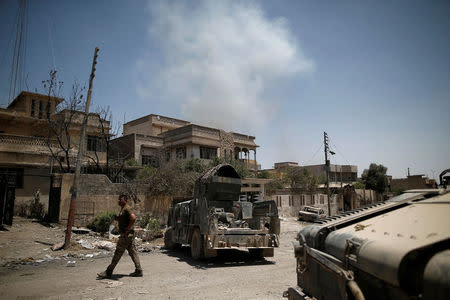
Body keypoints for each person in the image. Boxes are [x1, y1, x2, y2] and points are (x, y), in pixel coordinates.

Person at [97, 194, 143, 278]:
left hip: (126, 235)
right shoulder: (123, 209)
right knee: (132, 252)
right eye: (118, 199)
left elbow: (133, 218)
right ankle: (139, 270)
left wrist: (127, 230)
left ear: (125, 200)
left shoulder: (127, 208)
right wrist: (117, 218)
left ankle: (108, 271)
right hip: (128, 235)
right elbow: (125, 219)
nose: (118, 201)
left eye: (120, 199)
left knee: (118, 252)